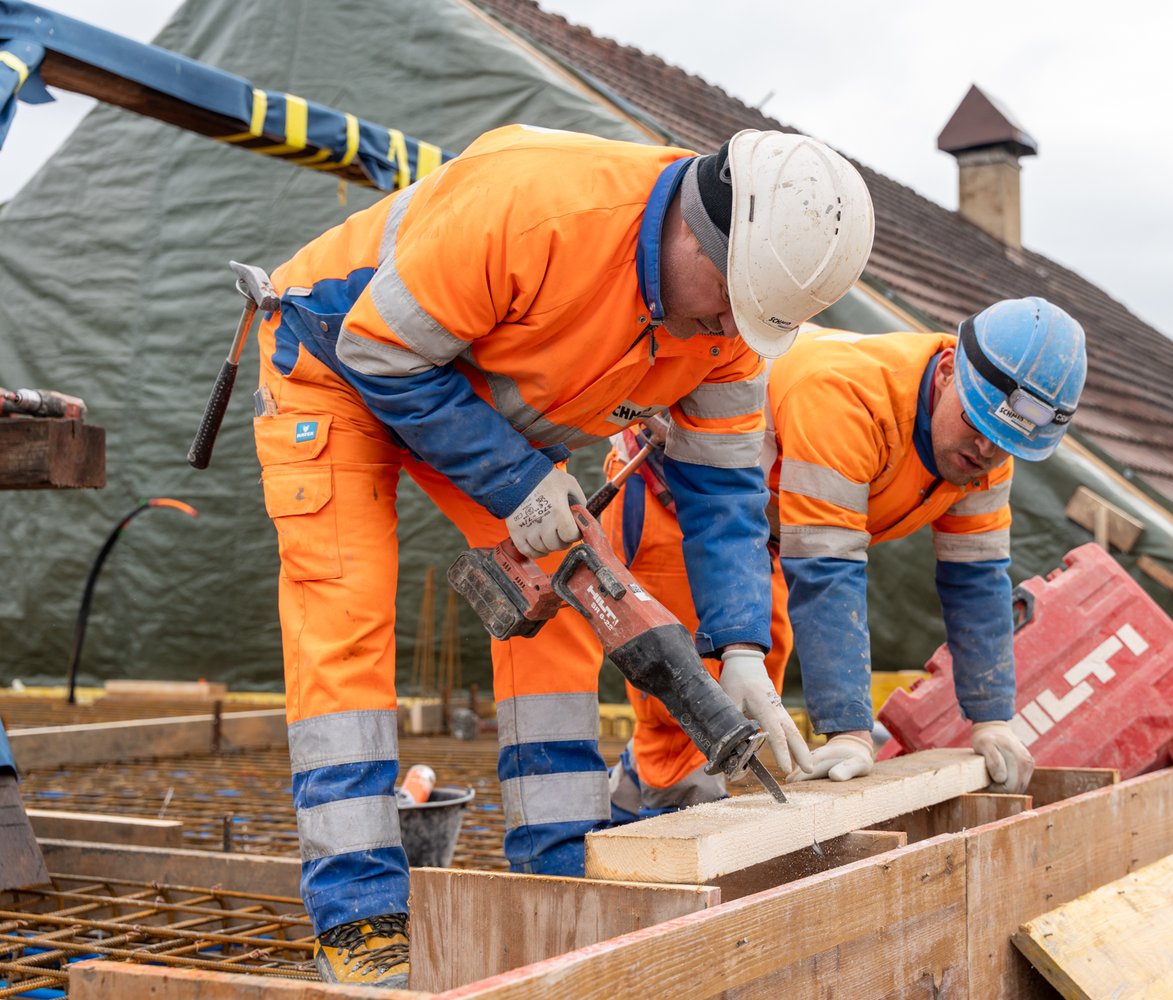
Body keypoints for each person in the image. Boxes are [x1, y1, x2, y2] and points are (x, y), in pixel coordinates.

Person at [251, 123, 873, 987]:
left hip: (474, 403)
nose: (732, 324)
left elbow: (725, 493)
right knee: (347, 622)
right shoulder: (540, 205)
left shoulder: (734, 320)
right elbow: (380, 354)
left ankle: (558, 869)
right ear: (696, 225)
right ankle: (361, 919)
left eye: (756, 314)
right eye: (732, 297)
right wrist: (515, 479)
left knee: (562, 612)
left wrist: (738, 648)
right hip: (338, 361)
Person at [597, 298, 1087, 819]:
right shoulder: (851, 398)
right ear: (948, 374)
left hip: (761, 530)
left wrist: (992, 718)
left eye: (1006, 443)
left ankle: (630, 802)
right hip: (674, 502)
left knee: (754, 688)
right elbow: (827, 569)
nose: (988, 451)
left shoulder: (982, 456)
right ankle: (667, 864)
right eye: (979, 426)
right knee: (701, 709)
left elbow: (979, 582)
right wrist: (849, 732)